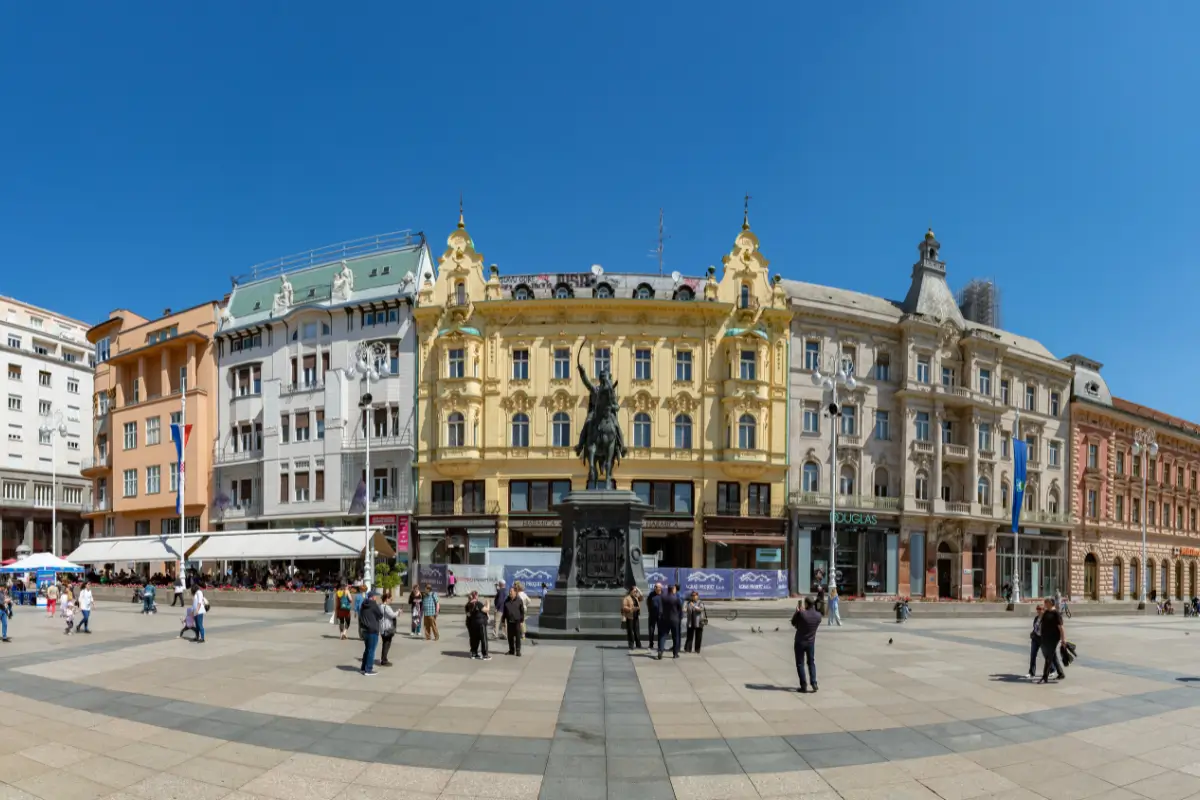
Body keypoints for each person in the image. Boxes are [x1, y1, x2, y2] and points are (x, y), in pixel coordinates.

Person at [791, 597, 822, 693]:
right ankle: (814, 682)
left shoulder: (802, 614)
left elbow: (793, 622)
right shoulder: (818, 616)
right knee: (811, 662)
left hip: (800, 641)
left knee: (800, 664)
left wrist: (797, 612)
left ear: (807, 604)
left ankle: (803, 685)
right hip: (811, 642)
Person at [1039, 597, 1066, 683]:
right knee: (1052, 656)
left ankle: (1045, 676)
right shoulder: (1046, 612)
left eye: (1046, 602)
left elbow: (1061, 627)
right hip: (1045, 637)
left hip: (1054, 638)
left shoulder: (1056, 614)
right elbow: (1042, 622)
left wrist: (1063, 639)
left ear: (1051, 603)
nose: (1045, 604)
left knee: (1049, 656)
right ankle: (1061, 673)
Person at [358, 590, 383, 676]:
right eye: (375, 596)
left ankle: (363, 668)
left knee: (367, 649)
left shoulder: (363, 605)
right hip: (372, 630)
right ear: (372, 597)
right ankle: (368, 669)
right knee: (371, 650)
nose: (376, 598)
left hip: (365, 630)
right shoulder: (373, 604)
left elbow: (360, 616)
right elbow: (380, 615)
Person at [657, 585, 682, 660]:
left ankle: (660, 650)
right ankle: (675, 653)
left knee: (663, 636)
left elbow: (660, 608)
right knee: (675, 637)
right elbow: (680, 609)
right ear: (673, 589)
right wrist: (680, 617)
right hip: (674, 619)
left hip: (665, 619)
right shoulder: (676, 598)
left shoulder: (663, 597)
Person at [466, 590, 491, 660]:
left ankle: (474, 653)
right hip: (481, 623)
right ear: (476, 596)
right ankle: (485, 655)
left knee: (475, 639)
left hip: (473, 624)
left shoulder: (468, 605)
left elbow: (468, 615)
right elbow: (486, 610)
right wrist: (488, 603)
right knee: (484, 639)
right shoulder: (478, 603)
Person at [502, 586, 525, 656]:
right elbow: (504, 612)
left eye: (511, 591)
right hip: (509, 621)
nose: (510, 593)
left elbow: (522, 611)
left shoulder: (519, 600)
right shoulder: (506, 601)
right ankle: (511, 650)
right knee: (510, 637)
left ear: (515, 592)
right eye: (509, 591)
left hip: (517, 622)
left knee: (518, 636)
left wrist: (521, 620)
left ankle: (518, 650)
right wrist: (503, 621)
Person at [379, 590, 399, 667]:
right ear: (386, 599)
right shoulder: (386, 607)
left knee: (385, 643)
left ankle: (384, 659)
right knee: (386, 644)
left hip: (382, 628)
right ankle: (384, 660)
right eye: (390, 599)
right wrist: (398, 612)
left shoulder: (380, 606)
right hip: (387, 628)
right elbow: (392, 615)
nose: (391, 601)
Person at [621, 587, 643, 651]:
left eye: (635, 592)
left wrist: (638, 589)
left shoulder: (636, 597)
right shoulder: (626, 598)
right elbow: (624, 607)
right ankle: (631, 644)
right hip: (630, 617)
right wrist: (631, 609)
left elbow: (641, 597)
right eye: (634, 591)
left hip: (636, 616)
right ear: (630, 591)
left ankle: (638, 644)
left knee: (637, 631)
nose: (635, 592)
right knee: (630, 631)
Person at [1028, 602, 1043, 678]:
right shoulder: (1036, 618)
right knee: (1033, 655)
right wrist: (1033, 632)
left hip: (1043, 639)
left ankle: (1052, 669)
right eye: (1037, 609)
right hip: (1035, 638)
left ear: (1043, 610)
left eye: (1040, 609)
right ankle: (1031, 672)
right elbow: (1035, 627)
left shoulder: (1046, 619)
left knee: (1047, 656)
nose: (1038, 611)